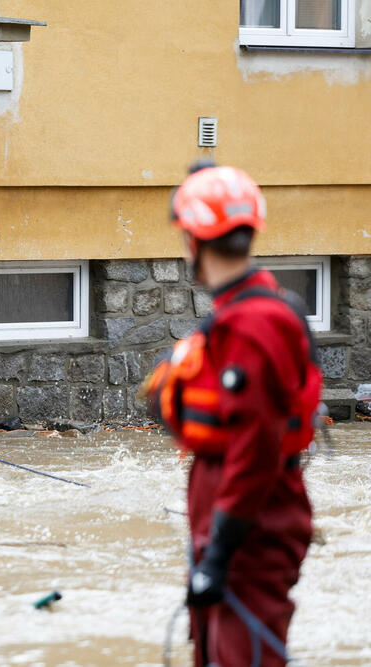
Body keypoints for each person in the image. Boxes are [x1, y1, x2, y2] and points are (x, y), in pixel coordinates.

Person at [144, 162, 321, 666]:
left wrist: (219, 555)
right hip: (229, 517)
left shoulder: (253, 324)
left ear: (193, 239)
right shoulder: (240, 313)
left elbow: (256, 450)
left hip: (249, 528)